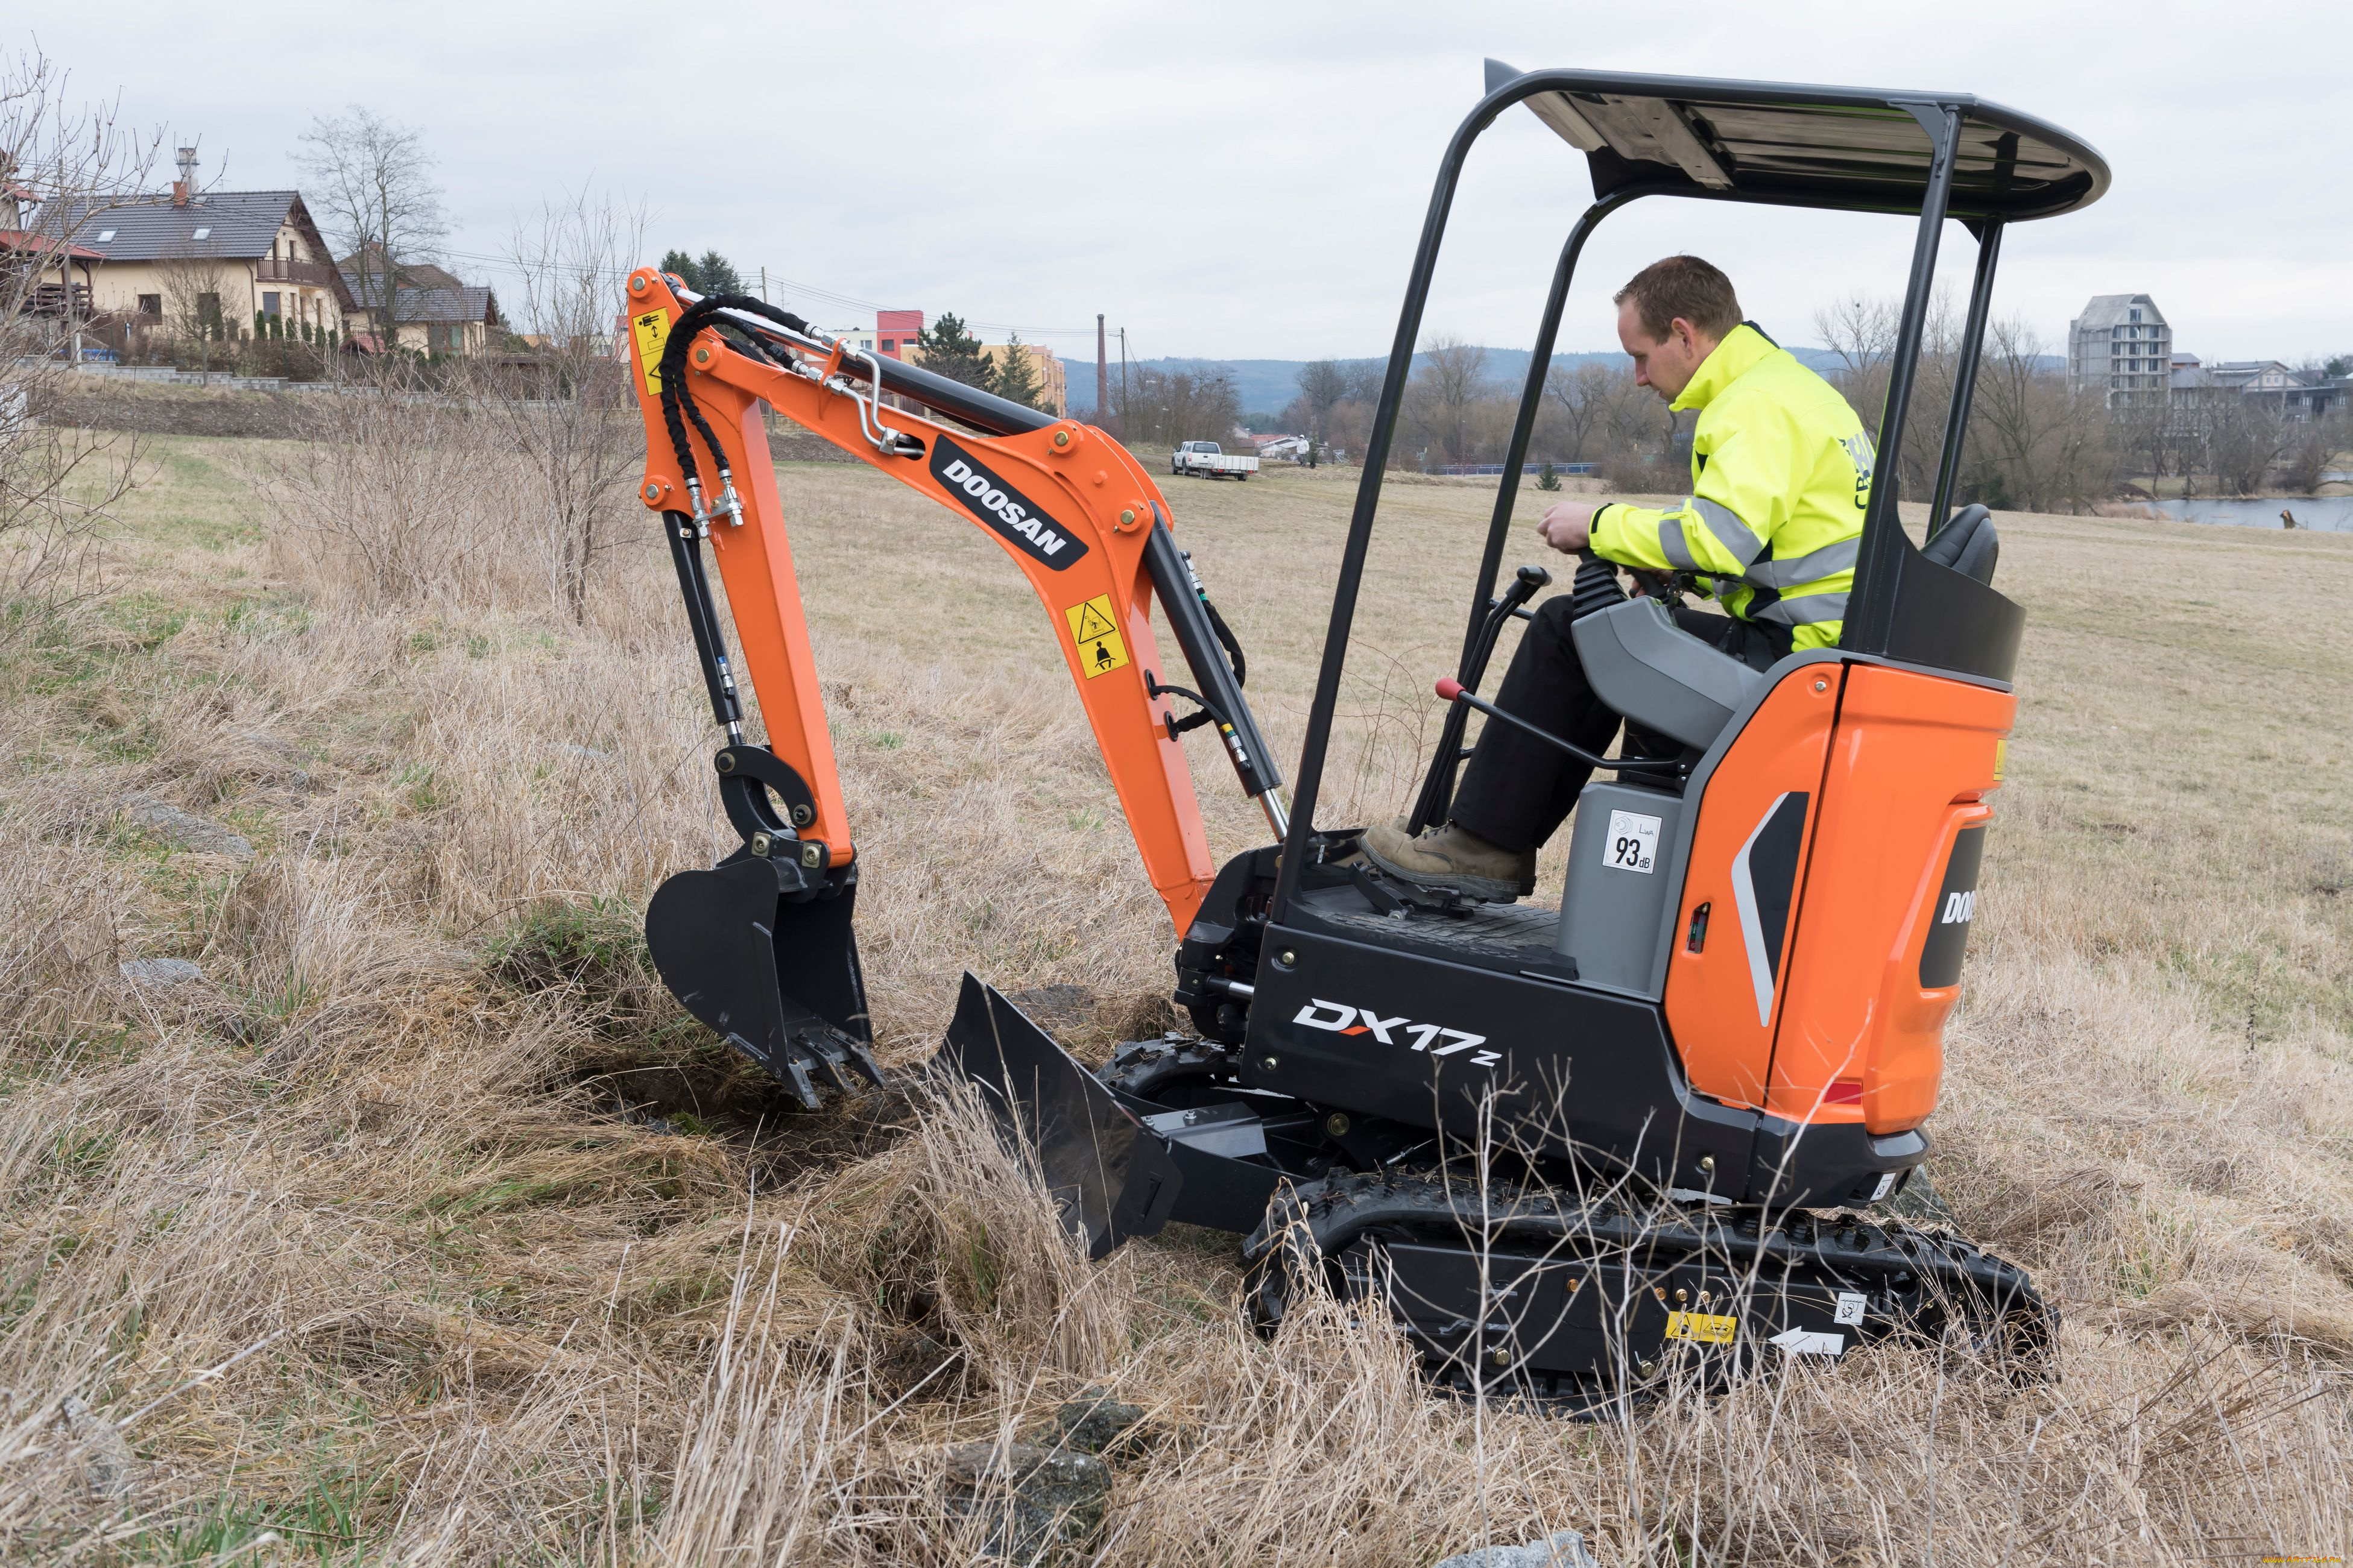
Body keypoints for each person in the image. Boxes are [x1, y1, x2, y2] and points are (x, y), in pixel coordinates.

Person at [1363, 254, 1874, 902]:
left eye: (1640, 355)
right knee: (1621, 634)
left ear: (1684, 335)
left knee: (1567, 628)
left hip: (1795, 667)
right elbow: (1773, 544)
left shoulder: (1754, 407)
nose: (1636, 377)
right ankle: (1511, 853)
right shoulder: (1795, 389)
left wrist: (1599, 524)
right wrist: (1667, 566)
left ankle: (1483, 847)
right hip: (1819, 651)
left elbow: (1717, 538)